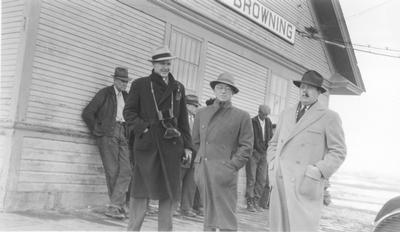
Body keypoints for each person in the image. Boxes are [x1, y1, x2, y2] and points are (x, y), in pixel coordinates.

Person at [123, 45, 193, 231]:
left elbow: (184, 120)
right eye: (161, 63)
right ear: (153, 64)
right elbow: (128, 112)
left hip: (171, 146)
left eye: (168, 63)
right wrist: (144, 128)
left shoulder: (178, 88)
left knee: (168, 193)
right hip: (147, 146)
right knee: (140, 191)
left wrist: (188, 146)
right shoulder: (140, 84)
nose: (165, 67)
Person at [267, 70, 346, 231]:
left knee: (301, 227)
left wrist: (318, 171)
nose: (305, 91)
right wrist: (273, 164)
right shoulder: (286, 113)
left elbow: (338, 151)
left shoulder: (329, 117)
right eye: (302, 86)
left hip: (305, 182)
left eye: (310, 87)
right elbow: (274, 143)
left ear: (318, 92)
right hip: (281, 179)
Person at [192, 72, 254, 231]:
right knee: (209, 216)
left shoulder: (242, 116)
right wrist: (200, 165)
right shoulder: (202, 113)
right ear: (214, 90)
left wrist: (231, 166)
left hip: (225, 172)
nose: (223, 91)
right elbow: (195, 141)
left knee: (227, 219)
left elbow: (246, 146)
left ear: (233, 92)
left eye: (228, 89)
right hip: (204, 171)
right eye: (220, 87)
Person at [81, 67, 132, 219]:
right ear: (115, 80)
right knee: (112, 171)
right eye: (122, 81)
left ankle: (116, 205)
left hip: (124, 133)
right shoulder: (105, 93)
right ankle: (117, 206)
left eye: (126, 82)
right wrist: (98, 131)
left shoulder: (127, 96)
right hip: (107, 134)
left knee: (127, 170)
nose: (124, 84)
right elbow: (87, 113)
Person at [173, 94, 200, 217]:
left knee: (191, 181)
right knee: (178, 179)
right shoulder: (179, 118)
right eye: (194, 106)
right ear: (187, 105)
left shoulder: (197, 119)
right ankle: (173, 207)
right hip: (183, 151)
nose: (196, 108)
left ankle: (186, 208)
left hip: (195, 153)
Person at [245, 105, 273, 212]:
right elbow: (251, 138)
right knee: (251, 178)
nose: (265, 116)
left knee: (262, 179)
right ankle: (249, 202)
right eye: (263, 114)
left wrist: (268, 148)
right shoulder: (252, 122)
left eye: (266, 115)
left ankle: (256, 201)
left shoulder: (269, 122)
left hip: (264, 154)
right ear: (259, 112)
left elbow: (270, 136)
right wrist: (253, 150)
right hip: (254, 153)